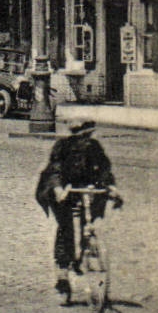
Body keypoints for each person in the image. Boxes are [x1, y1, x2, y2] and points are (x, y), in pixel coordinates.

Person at [35, 120, 121, 303]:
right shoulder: (62, 147)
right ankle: (63, 279)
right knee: (66, 228)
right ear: (75, 135)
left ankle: (83, 253)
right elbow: (55, 170)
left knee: (86, 222)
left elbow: (104, 169)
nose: (86, 140)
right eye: (83, 136)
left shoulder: (94, 148)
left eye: (88, 135)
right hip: (62, 190)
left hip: (84, 189)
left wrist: (111, 186)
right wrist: (58, 188)